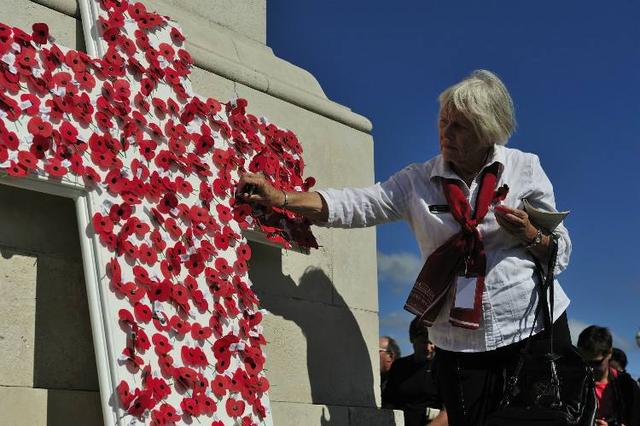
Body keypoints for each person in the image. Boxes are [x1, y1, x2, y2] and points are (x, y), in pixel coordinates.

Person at [237, 70, 573, 426]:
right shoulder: (418, 181)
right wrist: (281, 197)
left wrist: (531, 233)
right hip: (457, 342)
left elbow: (561, 252)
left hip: (530, 329)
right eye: (443, 122)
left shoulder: (525, 168)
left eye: (459, 126)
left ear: (487, 130)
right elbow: (357, 204)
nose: (446, 133)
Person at [382, 318, 446, 425]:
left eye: (432, 342)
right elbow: (389, 404)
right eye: (424, 342)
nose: (430, 347)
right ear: (412, 339)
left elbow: (450, 412)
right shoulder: (399, 367)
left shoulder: (442, 367)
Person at [577, 326, 640, 426]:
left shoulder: (628, 387)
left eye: (596, 363)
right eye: (585, 363)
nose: (590, 368)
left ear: (609, 353)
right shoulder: (571, 383)